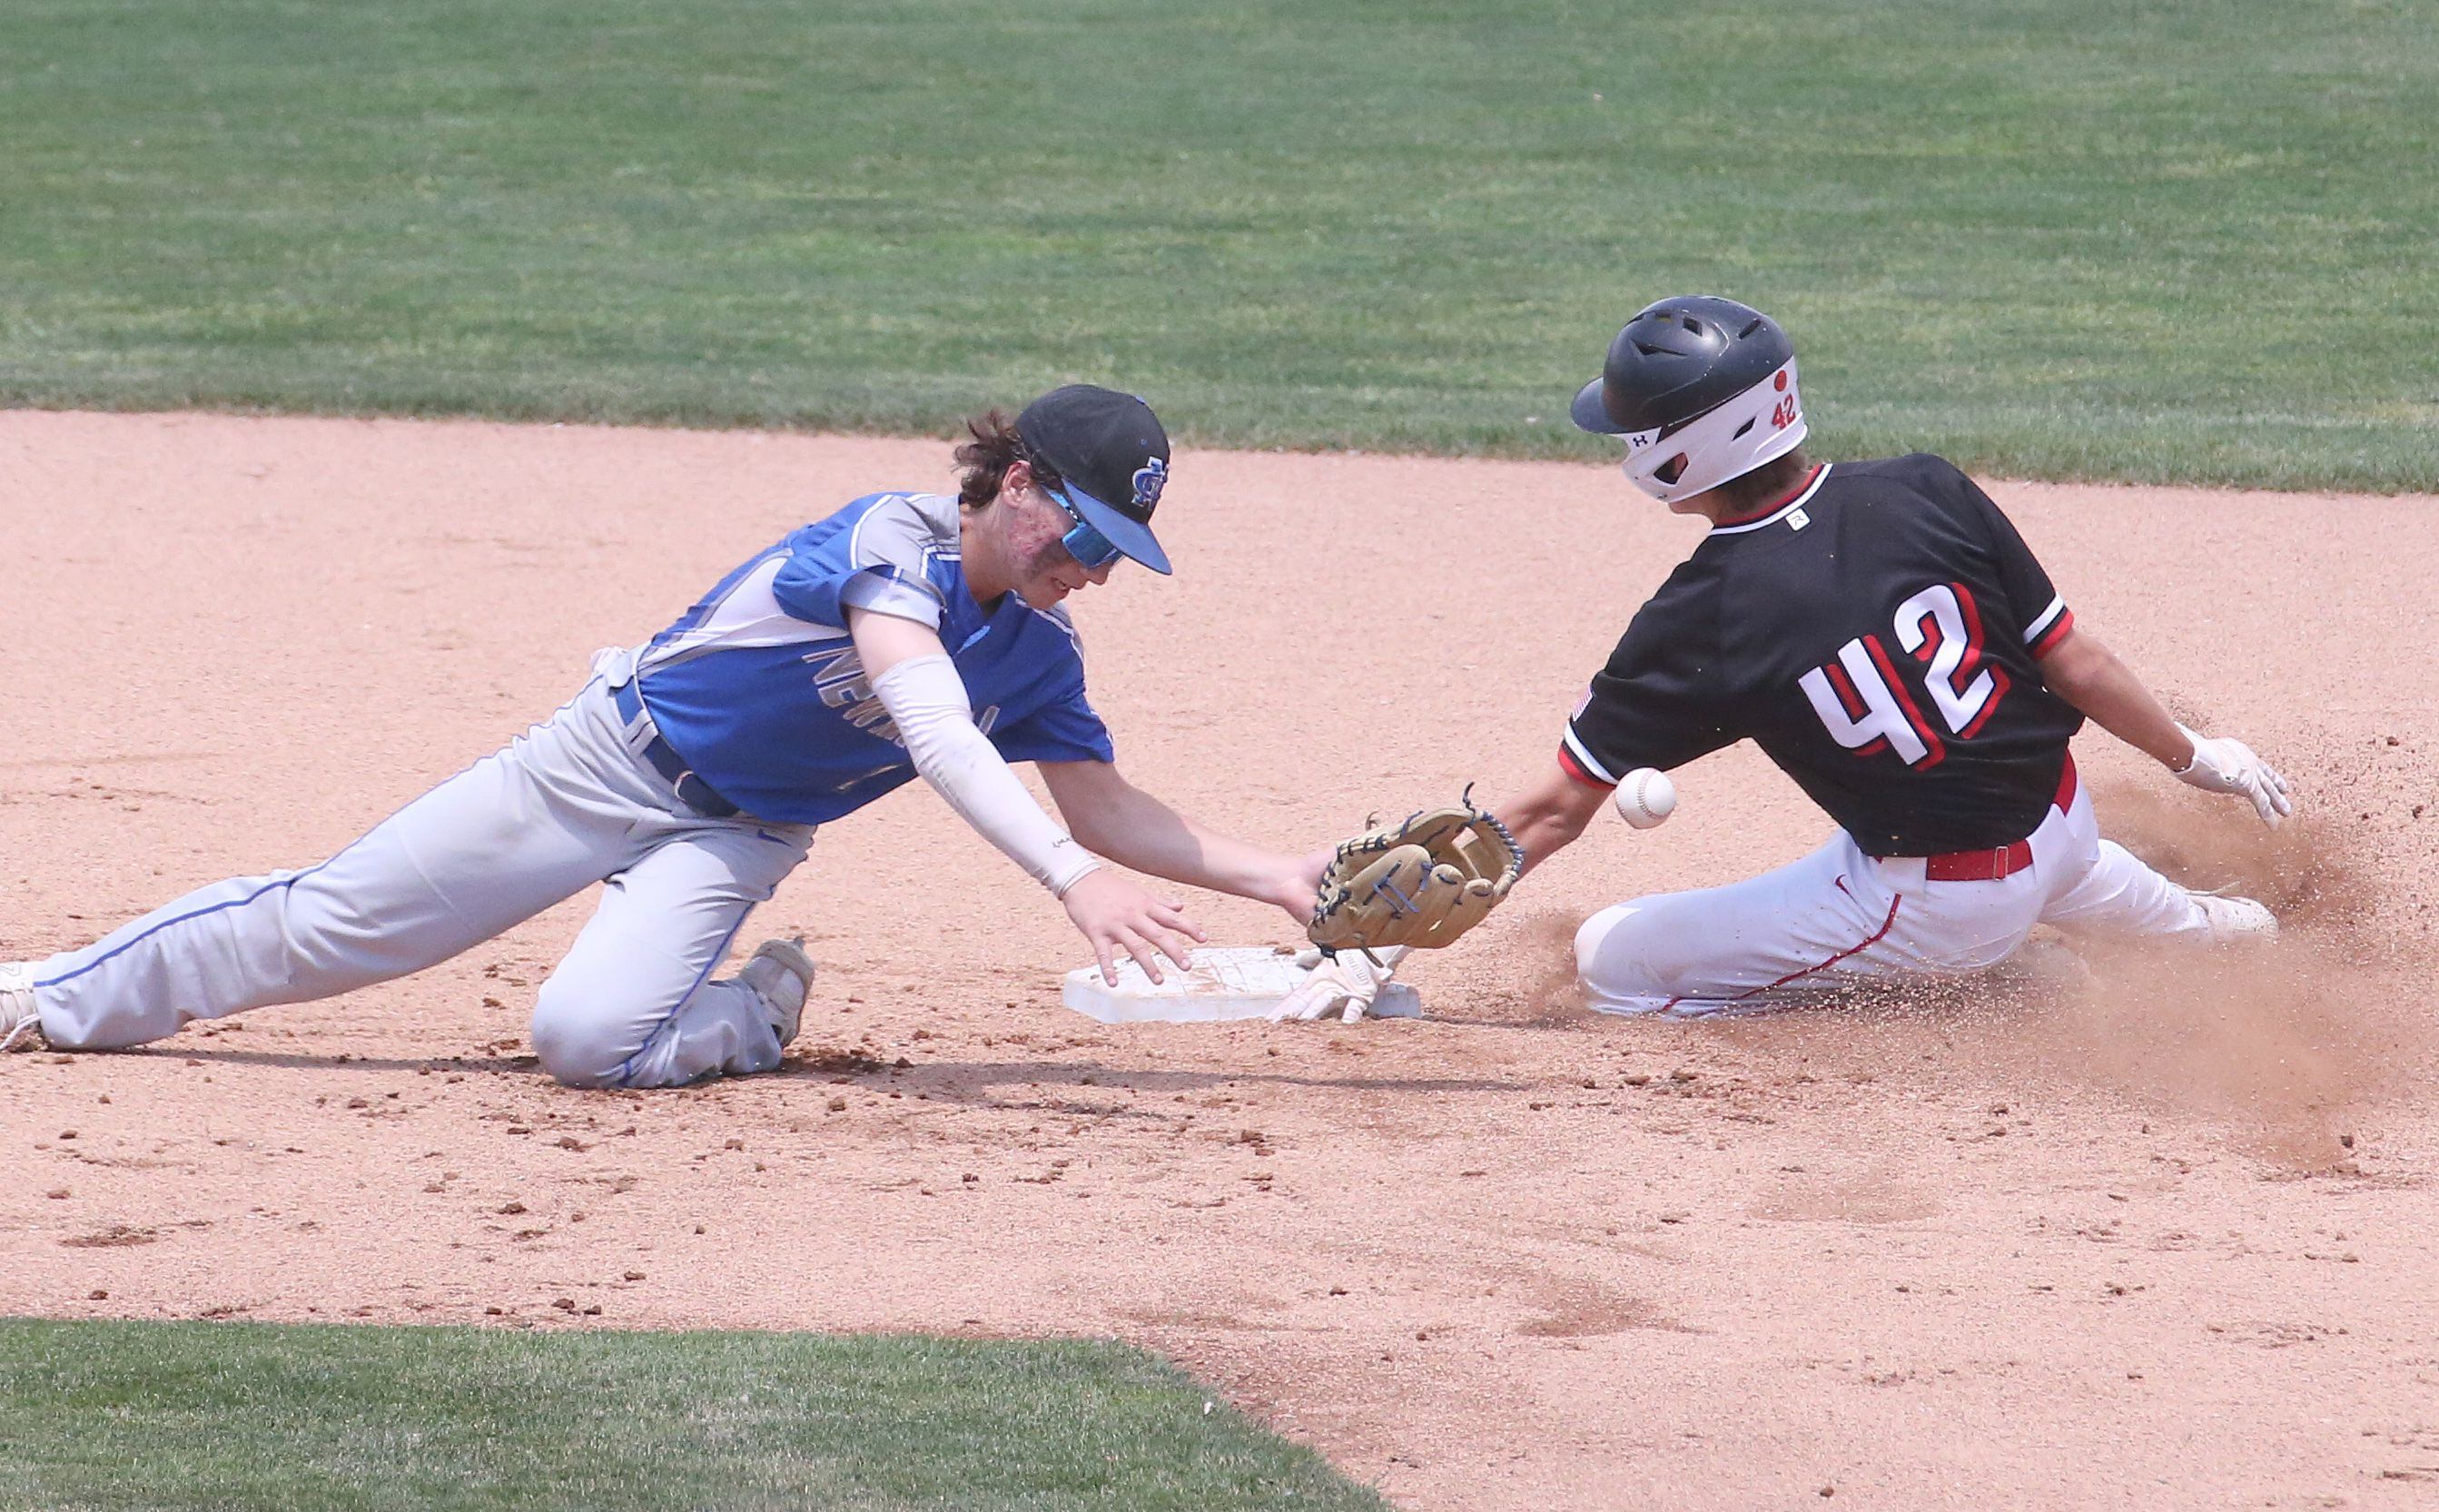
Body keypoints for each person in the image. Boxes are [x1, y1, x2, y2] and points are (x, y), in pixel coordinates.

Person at [2, 386, 1322, 1082]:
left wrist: (1279, 879)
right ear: (1017, 483)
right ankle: (39, 1004)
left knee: (587, 1044)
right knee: (325, 928)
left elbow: (1103, 806)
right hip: (597, 765)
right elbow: (927, 723)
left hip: (735, 837)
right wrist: (1063, 880)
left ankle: (751, 1014)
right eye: (1081, 534)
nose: (1089, 568)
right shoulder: (884, 541)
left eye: (1115, 554)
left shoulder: (1036, 653)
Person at [1281, 296, 2290, 1022]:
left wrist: (1386, 939)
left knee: (1612, 966)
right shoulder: (1924, 488)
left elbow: (1552, 810)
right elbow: (2076, 661)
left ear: (1679, 451)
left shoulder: (1702, 614)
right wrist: (2197, 757)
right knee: (2215, 933)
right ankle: (2238, 932)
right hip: (2066, 829)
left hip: (1934, 905)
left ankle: (1977, 988)